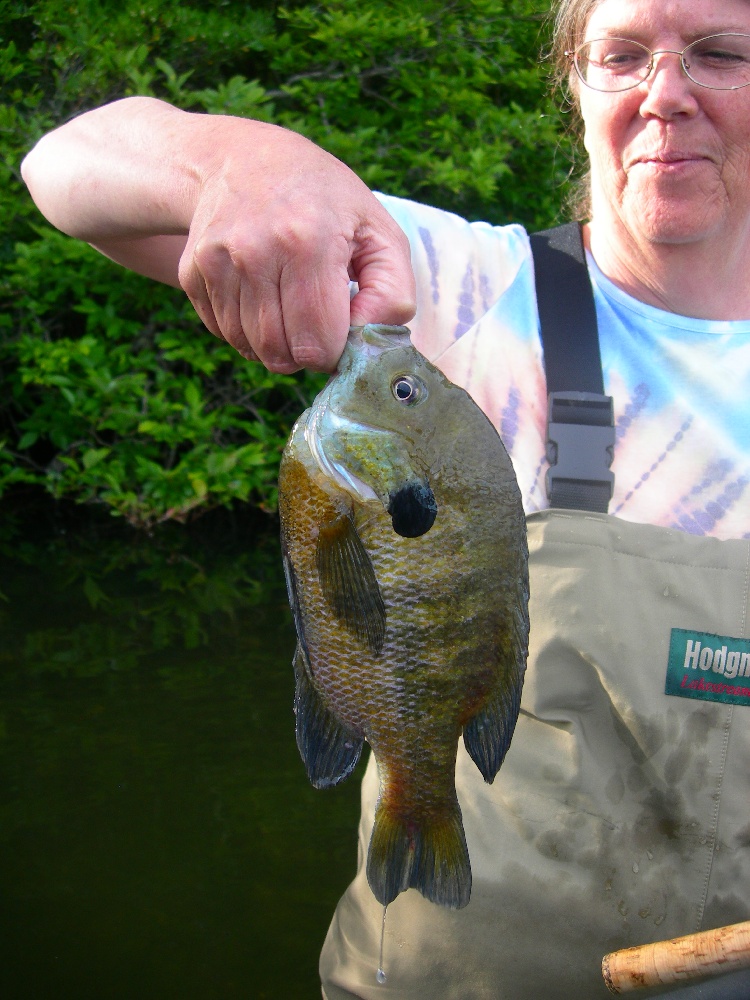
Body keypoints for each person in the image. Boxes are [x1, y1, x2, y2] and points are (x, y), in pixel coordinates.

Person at [22, 0, 750, 996]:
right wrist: (238, 162)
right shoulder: (455, 292)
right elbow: (63, 171)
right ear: (573, 86)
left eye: (719, 55)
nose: (666, 95)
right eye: (621, 56)